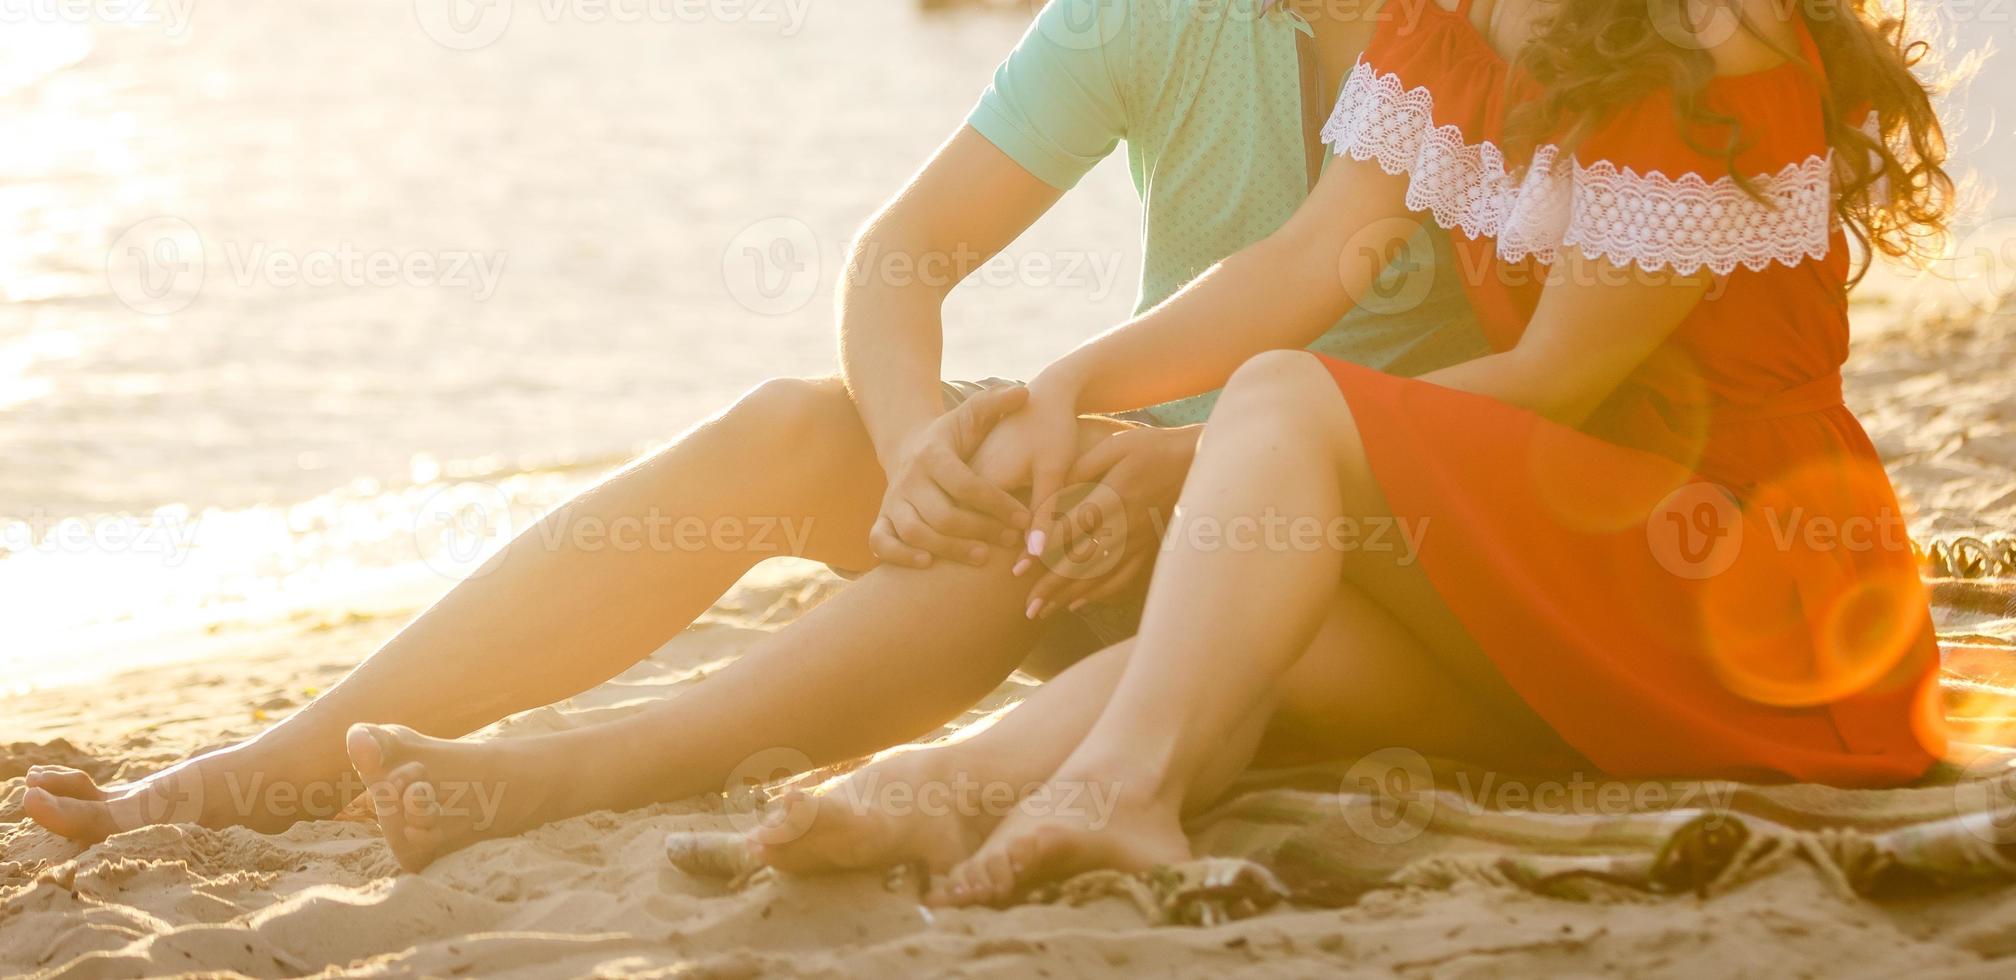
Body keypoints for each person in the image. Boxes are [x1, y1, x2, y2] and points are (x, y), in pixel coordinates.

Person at [24, 0, 1487, 865]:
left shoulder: (1516, 44)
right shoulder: (1159, 17)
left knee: (1009, 538)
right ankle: (267, 765)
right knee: (807, 432)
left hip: (1373, 560)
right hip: (1122, 501)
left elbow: (1570, 399)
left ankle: (586, 771)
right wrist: (919, 442)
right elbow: (904, 252)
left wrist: (1169, 461)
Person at [740, 0, 1957, 906]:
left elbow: (1553, 381)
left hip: (1749, 586)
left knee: (1286, 404)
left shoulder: (1718, 36)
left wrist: (1236, 444)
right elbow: (1302, 259)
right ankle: (948, 787)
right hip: (1573, 559)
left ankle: (1121, 790)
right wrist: (1073, 382)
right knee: (1264, 615)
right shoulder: (1445, 19)